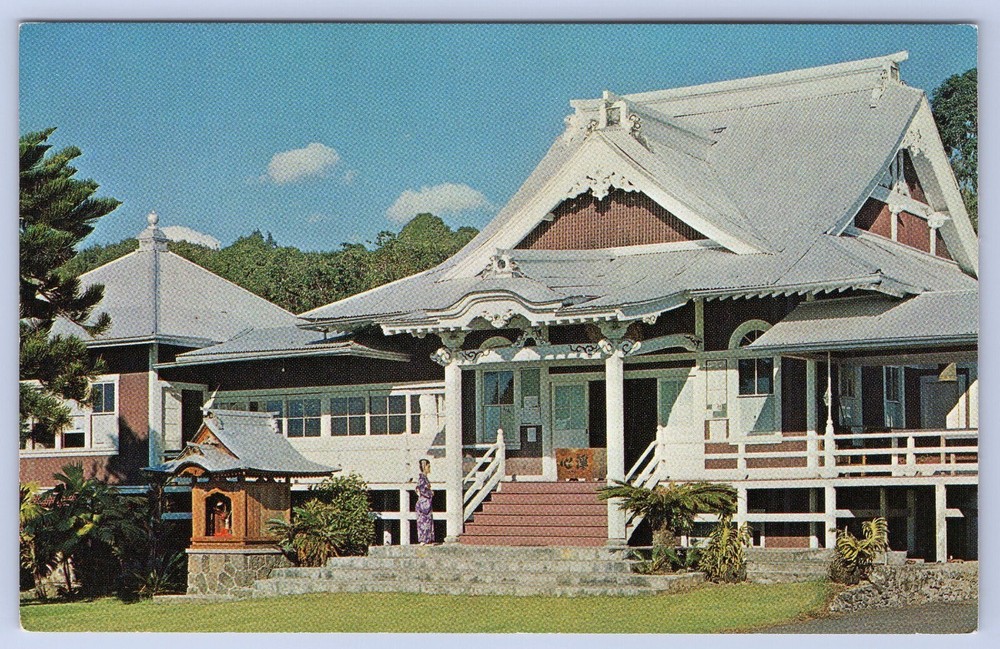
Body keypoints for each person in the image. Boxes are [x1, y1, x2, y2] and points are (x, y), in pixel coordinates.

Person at [415, 458, 435, 544]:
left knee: (427, 521)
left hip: (426, 502)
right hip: (424, 502)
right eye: (428, 466)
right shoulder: (422, 479)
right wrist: (430, 493)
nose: (429, 468)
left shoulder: (424, 478)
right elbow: (422, 490)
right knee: (423, 521)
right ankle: (423, 539)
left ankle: (427, 539)